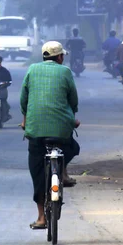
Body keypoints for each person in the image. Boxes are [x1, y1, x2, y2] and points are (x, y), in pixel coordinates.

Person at [20, 41, 80, 230]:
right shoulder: (65, 72)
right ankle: (62, 172)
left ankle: (41, 218)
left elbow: (24, 99)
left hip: (35, 130)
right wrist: (72, 117)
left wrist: (26, 120)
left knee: (38, 173)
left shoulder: (32, 69)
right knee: (72, 147)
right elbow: (73, 100)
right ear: (60, 57)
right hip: (61, 131)